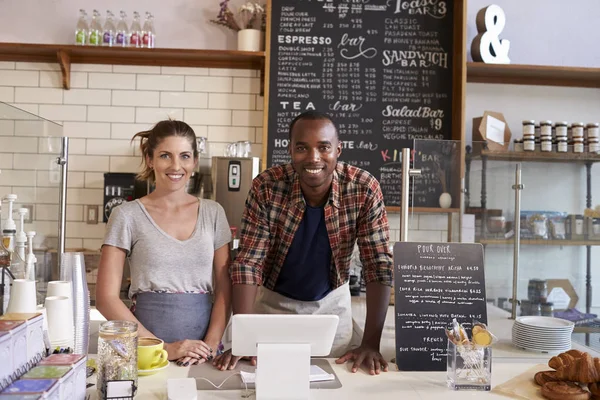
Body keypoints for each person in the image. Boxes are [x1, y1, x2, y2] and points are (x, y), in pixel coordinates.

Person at [214, 111, 393, 375]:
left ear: (338, 149)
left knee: (333, 384)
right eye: (302, 148)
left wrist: (370, 343)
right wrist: (246, 338)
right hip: (271, 306)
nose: (313, 158)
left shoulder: (363, 188)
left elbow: (378, 265)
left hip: (331, 307)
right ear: (290, 150)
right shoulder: (267, 186)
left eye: (324, 147)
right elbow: (248, 264)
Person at [96, 120, 232, 367]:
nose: (176, 166)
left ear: (194, 161)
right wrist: (164, 348)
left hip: (202, 356)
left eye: (185, 156)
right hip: (146, 351)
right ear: (150, 159)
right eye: (165, 156)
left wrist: (210, 346)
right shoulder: (126, 215)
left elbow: (225, 287)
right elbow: (106, 298)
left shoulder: (214, 213)